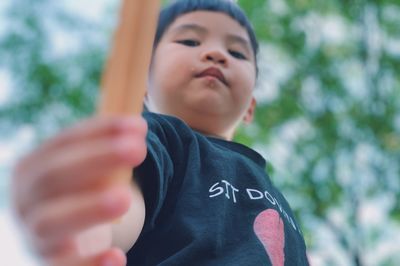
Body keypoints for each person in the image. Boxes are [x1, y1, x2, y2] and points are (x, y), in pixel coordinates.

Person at [11, 0, 309, 265]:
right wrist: (85, 229)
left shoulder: (269, 185)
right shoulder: (158, 137)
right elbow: (119, 208)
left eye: (236, 51)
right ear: (141, 83)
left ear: (250, 107)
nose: (217, 53)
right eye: (190, 41)